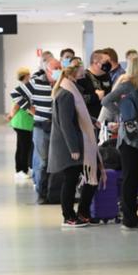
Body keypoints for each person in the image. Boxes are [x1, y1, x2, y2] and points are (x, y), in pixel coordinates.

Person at [48, 58, 101, 229]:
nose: (84, 74)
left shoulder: (72, 91)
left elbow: (79, 114)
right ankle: (69, 216)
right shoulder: (66, 94)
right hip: (69, 146)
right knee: (70, 180)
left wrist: (91, 120)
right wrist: (73, 148)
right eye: (82, 72)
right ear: (73, 74)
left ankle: (82, 212)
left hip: (76, 143)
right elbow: (66, 123)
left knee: (88, 175)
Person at [101, 55, 138, 230]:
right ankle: (128, 217)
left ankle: (132, 215)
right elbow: (106, 101)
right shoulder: (127, 84)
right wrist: (121, 113)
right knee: (130, 177)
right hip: (129, 139)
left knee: (135, 177)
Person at [28, 53, 61, 204]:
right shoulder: (36, 82)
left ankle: (52, 192)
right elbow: (17, 95)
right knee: (42, 161)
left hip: (57, 126)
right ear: (47, 70)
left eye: (60, 68)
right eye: (56, 68)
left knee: (55, 161)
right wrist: (34, 111)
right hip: (41, 126)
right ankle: (41, 193)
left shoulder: (62, 83)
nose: (59, 70)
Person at [7, 67, 36, 181]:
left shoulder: (26, 89)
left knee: (24, 147)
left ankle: (23, 169)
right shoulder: (22, 90)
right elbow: (16, 106)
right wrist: (10, 115)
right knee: (23, 147)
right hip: (21, 123)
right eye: (28, 75)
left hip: (26, 123)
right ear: (25, 76)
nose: (30, 77)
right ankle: (20, 170)